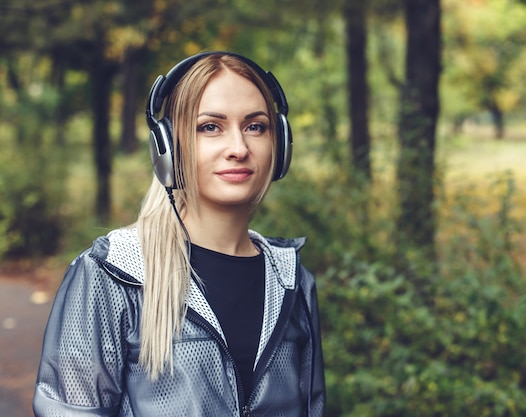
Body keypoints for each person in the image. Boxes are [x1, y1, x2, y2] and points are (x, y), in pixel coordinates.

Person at [33, 51, 325, 417]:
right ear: (168, 147)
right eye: (210, 127)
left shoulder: (291, 281)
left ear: (279, 144)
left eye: (255, 126)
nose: (238, 148)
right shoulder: (111, 273)